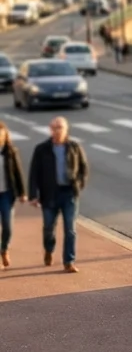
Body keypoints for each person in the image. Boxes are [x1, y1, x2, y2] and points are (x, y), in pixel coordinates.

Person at [28, 116, 89, 273]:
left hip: (69, 193)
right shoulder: (41, 149)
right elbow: (34, 173)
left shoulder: (74, 147)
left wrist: (79, 184)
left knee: (70, 229)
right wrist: (33, 195)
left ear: (66, 129)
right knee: (49, 228)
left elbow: (83, 168)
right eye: (54, 128)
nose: (57, 131)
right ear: (50, 129)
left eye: (60, 127)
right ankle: (49, 250)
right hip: (49, 194)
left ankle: (69, 261)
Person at [1, 121, 25, 270]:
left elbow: (18, 172)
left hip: (6, 194)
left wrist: (22, 193)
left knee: (8, 226)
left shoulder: (10, 151)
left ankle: (4, 249)